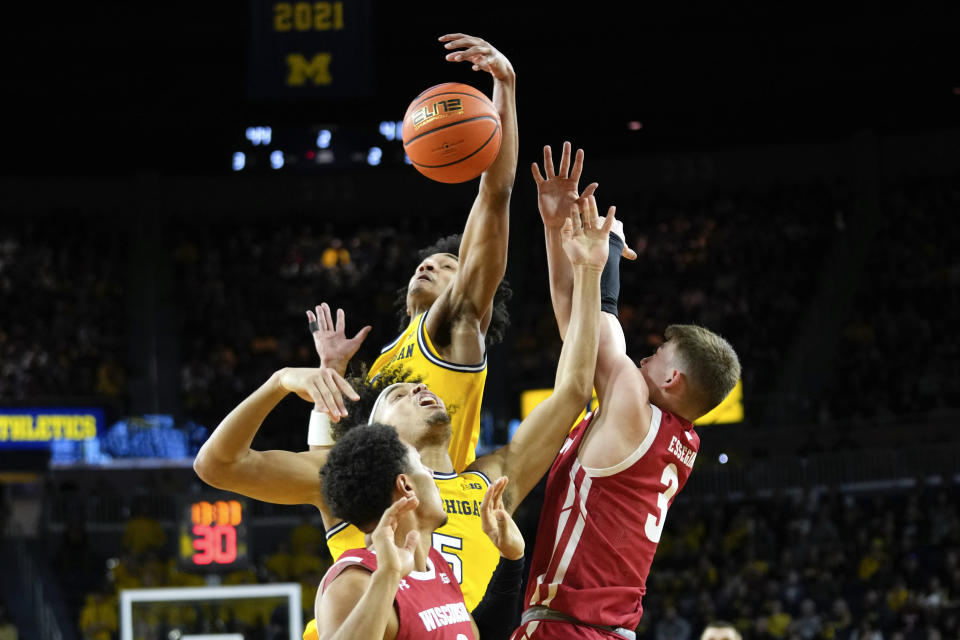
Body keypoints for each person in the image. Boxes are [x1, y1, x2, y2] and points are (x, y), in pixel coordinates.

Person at [193, 198, 612, 635]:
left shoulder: (490, 488)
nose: (420, 387)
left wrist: (589, 272)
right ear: (374, 433)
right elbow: (218, 465)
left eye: (419, 386)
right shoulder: (360, 491)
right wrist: (279, 381)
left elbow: (574, 390)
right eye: (398, 393)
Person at [511, 143, 741, 639]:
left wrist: (607, 248)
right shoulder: (679, 441)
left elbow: (601, 315)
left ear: (672, 380)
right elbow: (579, 330)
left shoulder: (636, 407)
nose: (645, 356)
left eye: (658, 352)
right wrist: (555, 229)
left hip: (568, 629)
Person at [306, 30, 518, 474]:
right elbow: (332, 454)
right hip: (387, 513)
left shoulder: (457, 325)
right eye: (427, 262)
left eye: (447, 267)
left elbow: (495, 195)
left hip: (441, 505)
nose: (428, 265)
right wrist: (333, 372)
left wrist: (505, 87)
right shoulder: (385, 360)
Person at [314, 422, 523, 640]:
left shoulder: (436, 564)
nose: (431, 473)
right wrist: (387, 577)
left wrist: (511, 560)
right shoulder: (357, 581)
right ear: (406, 486)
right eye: (422, 465)